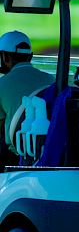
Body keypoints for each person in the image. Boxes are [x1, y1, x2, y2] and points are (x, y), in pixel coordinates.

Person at [0, 31, 54, 165]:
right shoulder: (51, 79)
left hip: (14, 156)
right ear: (30, 57)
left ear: (5, 57)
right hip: (47, 152)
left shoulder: (2, 84)